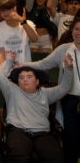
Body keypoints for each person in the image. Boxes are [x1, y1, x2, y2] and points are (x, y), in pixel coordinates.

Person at [14, 16, 80, 163]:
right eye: (76, 29)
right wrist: (22, 65)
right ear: (72, 30)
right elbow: (43, 64)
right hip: (70, 100)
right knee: (71, 141)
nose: (79, 32)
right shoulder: (64, 49)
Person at [0, 51, 72, 163]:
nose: (25, 80)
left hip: (42, 133)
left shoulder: (46, 93)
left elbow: (65, 87)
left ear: (37, 81)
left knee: (57, 158)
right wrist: (9, 61)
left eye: (29, 77)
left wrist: (69, 69)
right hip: (18, 131)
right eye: (21, 77)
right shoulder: (11, 90)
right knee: (19, 157)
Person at [0, 0, 38, 67]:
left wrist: (22, 21)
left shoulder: (28, 23)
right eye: (2, 11)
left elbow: (34, 39)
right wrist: (2, 72)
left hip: (24, 67)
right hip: (6, 68)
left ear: (15, 9)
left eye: (8, 10)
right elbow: (0, 52)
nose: (5, 13)